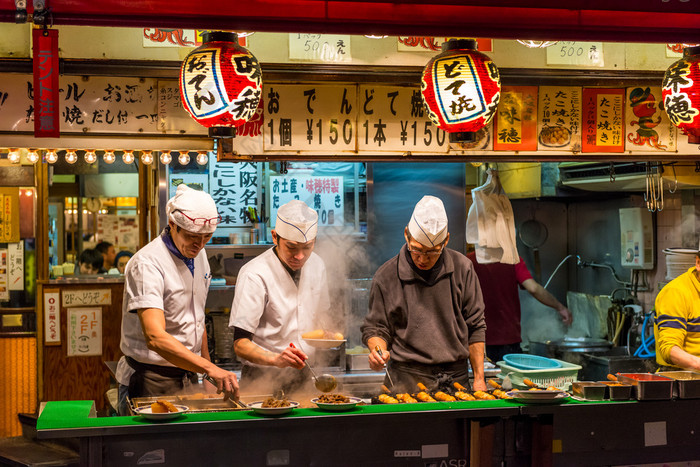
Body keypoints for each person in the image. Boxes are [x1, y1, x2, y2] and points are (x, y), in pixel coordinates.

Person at [115, 184, 238, 415]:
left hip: (188, 375)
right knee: (151, 451)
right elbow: (155, 337)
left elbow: (196, 317)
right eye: (192, 237)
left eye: (206, 237)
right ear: (172, 225)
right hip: (150, 378)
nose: (200, 245)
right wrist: (209, 368)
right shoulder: (148, 264)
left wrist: (205, 373)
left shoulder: (199, 254)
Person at [361, 195, 488, 393]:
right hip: (405, 381)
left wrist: (479, 378)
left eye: (433, 252)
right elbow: (376, 328)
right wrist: (378, 352)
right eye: (417, 250)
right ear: (406, 235)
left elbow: (476, 326)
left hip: (456, 382)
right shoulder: (386, 275)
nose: (423, 259)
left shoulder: (463, 268)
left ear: (446, 240)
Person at [229, 200, 330, 394]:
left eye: (307, 247)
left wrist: (327, 332)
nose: (300, 256)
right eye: (292, 247)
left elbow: (321, 316)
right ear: (275, 237)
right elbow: (240, 345)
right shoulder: (255, 273)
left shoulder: (317, 265)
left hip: (304, 376)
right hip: (262, 377)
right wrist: (276, 359)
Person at [466, 252, 573, 363]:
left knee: (480, 379)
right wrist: (560, 307)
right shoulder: (512, 258)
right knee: (510, 378)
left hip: (476, 340)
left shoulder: (468, 260)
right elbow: (533, 288)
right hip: (507, 341)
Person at [654, 250, 700, 371]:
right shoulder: (675, 293)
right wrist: (697, 363)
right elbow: (669, 349)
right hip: (679, 379)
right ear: (698, 263)